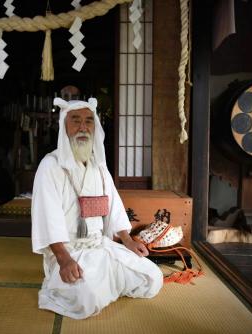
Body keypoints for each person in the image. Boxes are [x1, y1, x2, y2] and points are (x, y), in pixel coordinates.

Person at [31, 97, 163, 320]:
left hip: (102, 247)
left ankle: (107, 284)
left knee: (152, 277)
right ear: (64, 125)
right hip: (70, 252)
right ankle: (96, 285)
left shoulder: (98, 166)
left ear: (95, 126)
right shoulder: (50, 166)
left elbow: (114, 205)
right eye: (76, 120)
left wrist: (128, 240)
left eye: (89, 121)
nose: (83, 127)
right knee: (86, 299)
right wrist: (63, 259)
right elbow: (47, 218)